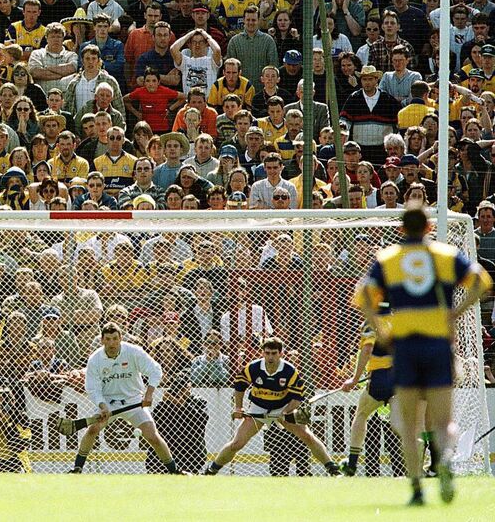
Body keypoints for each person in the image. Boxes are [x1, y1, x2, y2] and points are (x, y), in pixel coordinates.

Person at [353, 202, 492, 505]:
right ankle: (442, 461)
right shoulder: (444, 255)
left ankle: (416, 489)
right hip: (438, 344)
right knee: (442, 420)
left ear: (401, 229)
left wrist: (380, 328)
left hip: (404, 347)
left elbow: (362, 295)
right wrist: (456, 313)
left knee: (407, 423)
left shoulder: (388, 258)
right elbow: (482, 281)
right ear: (429, 228)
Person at [204, 336, 342, 476]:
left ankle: (333, 469)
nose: (270, 357)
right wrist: (238, 408)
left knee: (307, 436)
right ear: (262, 353)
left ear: (281, 353)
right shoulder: (253, 367)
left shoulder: (289, 371)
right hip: (258, 407)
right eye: (267, 353)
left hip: (283, 407)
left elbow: (297, 398)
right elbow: (240, 387)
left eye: (274, 353)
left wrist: (287, 412)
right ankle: (211, 470)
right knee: (237, 443)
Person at [68, 321, 187, 474]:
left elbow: (155, 370)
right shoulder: (95, 359)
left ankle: (174, 471)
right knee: (92, 430)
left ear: (121, 338)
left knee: (152, 436)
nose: (112, 343)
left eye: (115, 338)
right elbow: (93, 388)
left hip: (134, 402)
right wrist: (103, 406)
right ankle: (77, 468)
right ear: (102, 340)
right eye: (108, 339)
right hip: (108, 402)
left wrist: (149, 393)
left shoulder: (133, 352)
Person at [338, 302, 405, 478]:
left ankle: (351, 464)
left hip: (380, 378)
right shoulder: (399, 321)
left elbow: (367, 349)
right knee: (400, 422)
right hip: (400, 378)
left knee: (361, 414)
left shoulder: (371, 322)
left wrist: (354, 379)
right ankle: (414, 464)